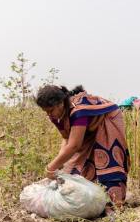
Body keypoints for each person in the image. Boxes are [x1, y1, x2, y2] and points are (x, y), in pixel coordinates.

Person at [35, 84, 130, 215]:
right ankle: (94, 202)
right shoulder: (55, 116)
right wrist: (60, 164)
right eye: (46, 111)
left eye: (50, 110)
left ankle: (114, 205)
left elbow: (74, 146)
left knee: (107, 161)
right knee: (77, 165)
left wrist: (51, 166)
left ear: (60, 104)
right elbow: (67, 139)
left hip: (107, 120)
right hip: (89, 127)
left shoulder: (78, 111)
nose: (49, 114)